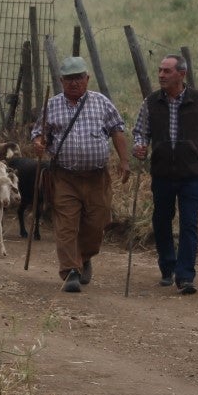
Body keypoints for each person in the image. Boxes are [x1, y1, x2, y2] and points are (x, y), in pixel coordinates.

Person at [32, 56, 130, 293]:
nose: (74, 83)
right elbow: (38, 133)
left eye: (78, 78)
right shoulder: (52, 105)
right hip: (64, 177)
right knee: (65, 225)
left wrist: (125, 161)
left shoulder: (101, 103)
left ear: (87, 79)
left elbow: (117, 130)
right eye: (69, 79)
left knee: (97, 224)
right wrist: (39, 143)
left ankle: (84, 257)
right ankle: (70, 271)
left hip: (97, 177)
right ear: (61, 81)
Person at [132, 54, 198, 296]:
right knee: (161, 221)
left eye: (167, 71)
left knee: (189, 224)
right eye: (160, 71)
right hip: (162, 173)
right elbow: (140, 131)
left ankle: (185, 276)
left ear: (181, 74)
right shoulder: (151, 102)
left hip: (191, 174)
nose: (161, 75)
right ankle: (167, 267)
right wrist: (139, 146)